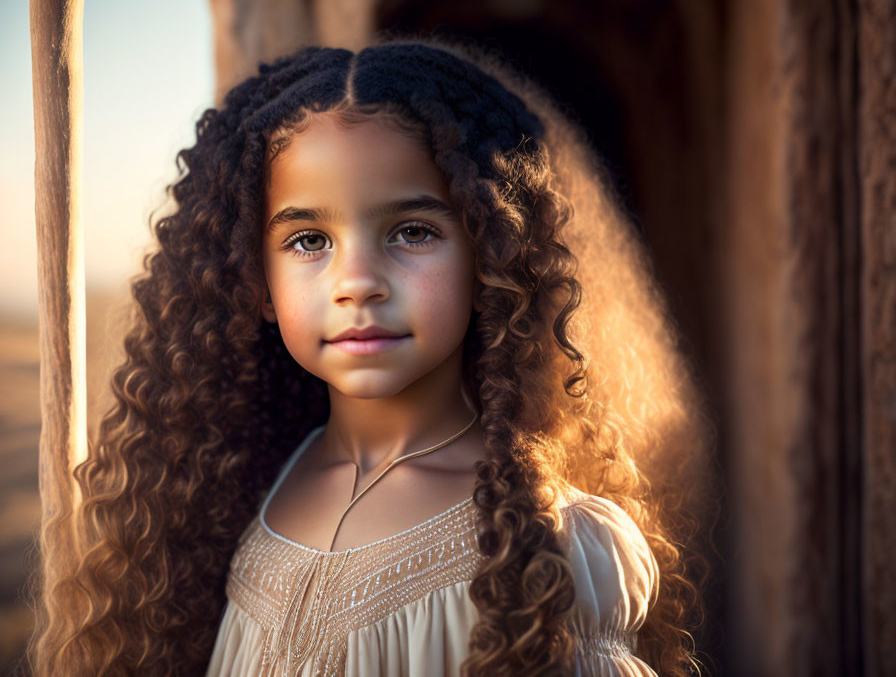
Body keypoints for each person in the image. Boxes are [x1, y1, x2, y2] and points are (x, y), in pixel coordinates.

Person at [32, 37, 706, 676]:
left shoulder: (548, 544)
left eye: (412, 232)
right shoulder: (226, 495)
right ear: (254, 281)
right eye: (307, 240)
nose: (357, 282)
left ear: (491, 257)